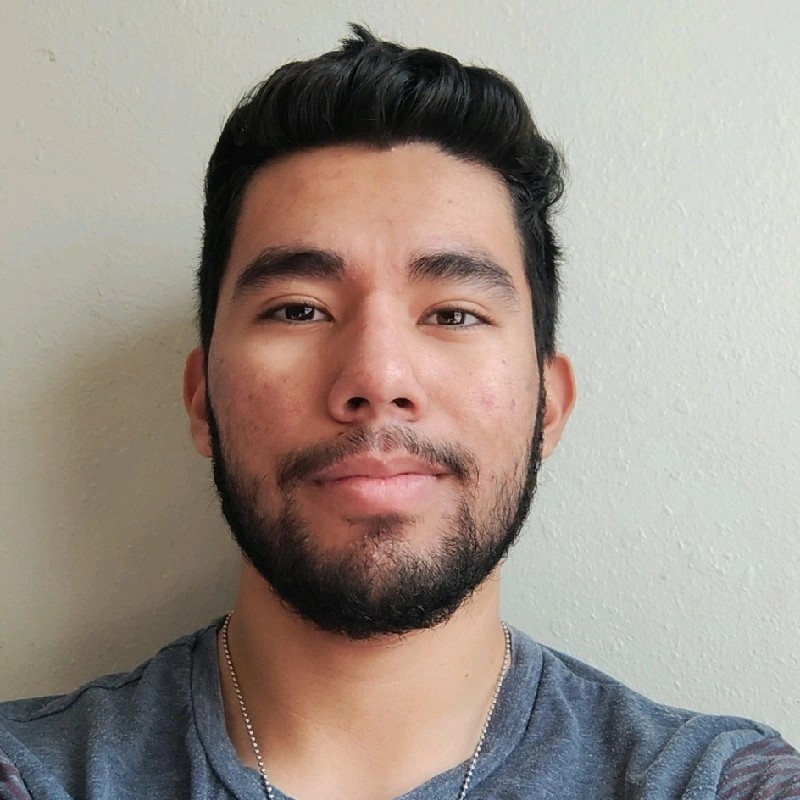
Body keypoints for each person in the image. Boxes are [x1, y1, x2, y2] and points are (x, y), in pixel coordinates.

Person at [1, 24, 797, 800]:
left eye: (453, 313)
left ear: (548, 406)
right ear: (202, 397)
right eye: (299, 309)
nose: (377, 378)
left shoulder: (713, 782)